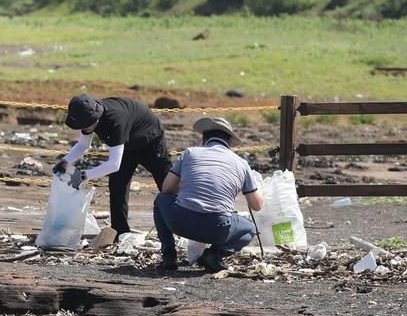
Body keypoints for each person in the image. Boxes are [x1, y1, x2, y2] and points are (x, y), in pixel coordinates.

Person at [154, 116, 264, 273]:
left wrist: (187, 191)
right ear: (230, 141)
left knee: (161, 199)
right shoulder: (241, 163)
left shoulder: (190, 153)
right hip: (217, 229)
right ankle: (213, 255)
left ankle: (169, 255)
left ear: (203, 138)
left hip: (180, 222)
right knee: (249, 229)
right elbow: (257, 206)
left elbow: (166, 189)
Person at [54, 94, 171, 235]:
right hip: (126, 145)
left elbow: (113, 165)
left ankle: (182, 223)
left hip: (151, 140)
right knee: (117, 185)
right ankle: (120, 233)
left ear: (95, 118)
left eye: (83, 125)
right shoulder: (88, 114)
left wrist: (84, 175)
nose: (82, 129)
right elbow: (83, 144)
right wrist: (65, 161)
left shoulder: (115, 120)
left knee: (167, 185)